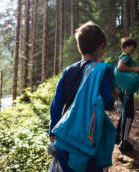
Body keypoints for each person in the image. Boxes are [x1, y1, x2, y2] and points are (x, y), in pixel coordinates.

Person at [48, 21, 116, 172]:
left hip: (65, 137)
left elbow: (56, 106)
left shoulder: (67, 71)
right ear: (102, 46)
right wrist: (114, 96)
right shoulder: (102, 71)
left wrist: (52, 133)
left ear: (79, 48)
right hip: (90, 137)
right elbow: (107, 103)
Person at [116, 37, 139, 153]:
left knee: (125, 112)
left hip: (123, 91)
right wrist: (133, 69)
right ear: (124, 47)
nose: (133, 49)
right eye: (131, 47)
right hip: (126, 92)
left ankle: (118, 135)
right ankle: (123, 141)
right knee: (129, 114)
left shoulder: (123, 56)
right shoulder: (125, 57)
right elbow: (120, 67)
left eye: (134, 48)